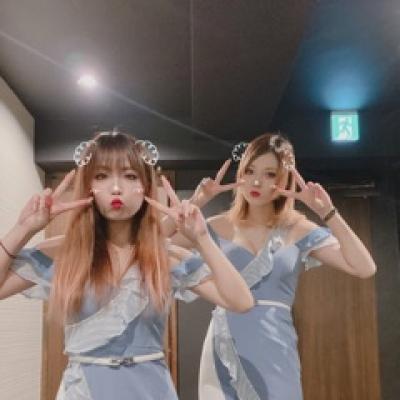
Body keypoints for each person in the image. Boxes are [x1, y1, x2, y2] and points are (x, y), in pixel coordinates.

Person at [0, 132, 253, 400]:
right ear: (88, 187)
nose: (116, 188)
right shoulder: (62, 253)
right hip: (84, 390)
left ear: (145, 186)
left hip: (151, 389)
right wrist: (23, 228)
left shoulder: (165, 256)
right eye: (101, 176)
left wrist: (202, 238)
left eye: (130, 176)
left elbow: (241, 301)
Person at [168, 132, 377, 400]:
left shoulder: (299, 229)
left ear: (284, 179)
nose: (256, 182)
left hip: (276, 344)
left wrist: (327, 212)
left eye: (269, 174)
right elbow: (153, 249)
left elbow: (364, 268)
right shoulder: (213, 227)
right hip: (224, 341)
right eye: (250, 171)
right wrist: (198, 200)